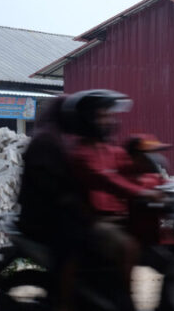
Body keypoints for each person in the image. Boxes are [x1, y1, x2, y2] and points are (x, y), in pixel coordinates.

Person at [61, 89, 161, 311]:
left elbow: (128, 167)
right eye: (102, 115)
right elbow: (108, 180)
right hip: (90, 221)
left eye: (109, 115)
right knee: (128, 246)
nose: (109, 120)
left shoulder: (108, 148)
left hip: (113, 216)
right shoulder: (82, 153)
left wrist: (160, 180)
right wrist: (140, 193)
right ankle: (122, 300)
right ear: (87, 119)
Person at [18, 96, 90, 311]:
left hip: (52, 212)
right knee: (74, 249)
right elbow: (50, 184)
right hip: (42, 218)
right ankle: (64, 302)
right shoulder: (46, 140)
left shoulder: (57, 138)